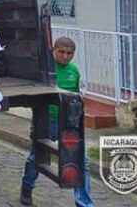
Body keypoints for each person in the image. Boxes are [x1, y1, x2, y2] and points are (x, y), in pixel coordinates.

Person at [19, 37, 93, 206]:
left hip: (68, 122)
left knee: (82, 161)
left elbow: (75, 96)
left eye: (69, 53)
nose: (65, 56)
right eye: (61, 52)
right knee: (36, 157)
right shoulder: (45, 69)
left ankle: (84, 203)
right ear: (54, 50)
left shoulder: (74, 71)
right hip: (46, 121)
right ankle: (27, 186)